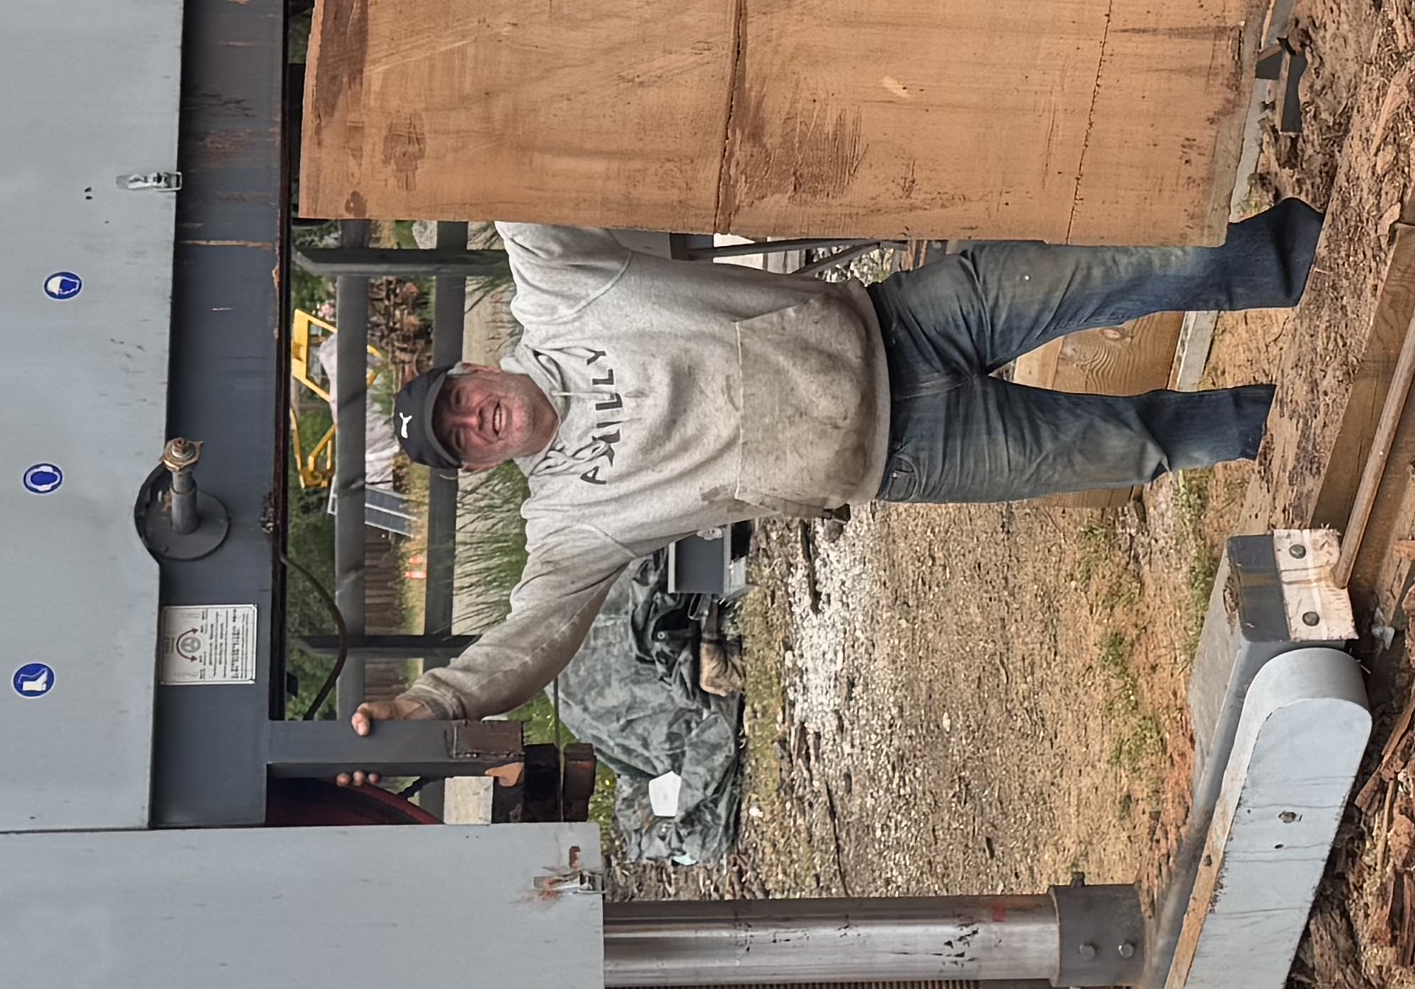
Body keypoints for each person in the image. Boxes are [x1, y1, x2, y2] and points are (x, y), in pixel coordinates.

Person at [346, 205, 1320, 733]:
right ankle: (1301, 427)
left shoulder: (558, 295)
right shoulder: (569, 522)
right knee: (1135, 446)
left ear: (474, 369)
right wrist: (434, 703)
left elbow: (507, 174)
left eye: (459, 401)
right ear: (478, 463)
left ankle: (1329, 249)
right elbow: (532, 638)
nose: (475, 420)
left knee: (1144, 261)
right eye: (461, 439)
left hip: (907, 317)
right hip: (910, 453)